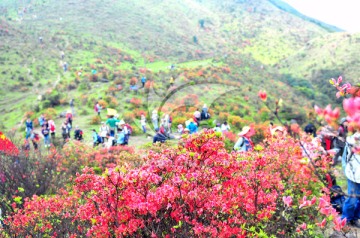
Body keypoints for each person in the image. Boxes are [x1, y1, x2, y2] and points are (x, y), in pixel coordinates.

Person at [341, 131, 360, 227]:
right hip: (354, 175)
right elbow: (345, 157)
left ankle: (355, 218)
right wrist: (345, 169)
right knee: (352, 199)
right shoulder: (353, 139)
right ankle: (346, 219)